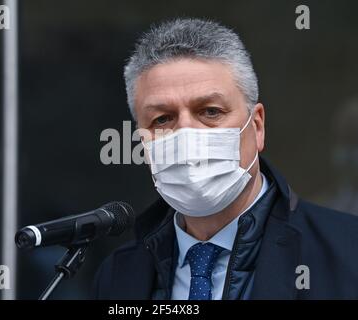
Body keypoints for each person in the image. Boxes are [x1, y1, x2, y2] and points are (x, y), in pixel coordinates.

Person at [92, 18, 358, 299]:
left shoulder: (347, 252)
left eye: (210, 111)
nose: (187, 133)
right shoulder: (117, 276)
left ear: (256, 126)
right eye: (162, 118)